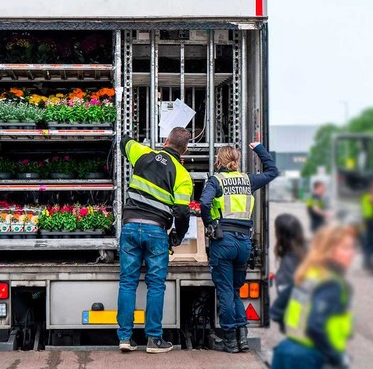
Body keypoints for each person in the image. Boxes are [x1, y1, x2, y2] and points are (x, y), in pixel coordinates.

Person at [264, 225, 356, 369]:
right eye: (346, 247)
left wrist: (295, 334)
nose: (352, 253)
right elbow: (316, 326)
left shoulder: (305, 275)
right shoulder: (332, 283)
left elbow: (277, 311)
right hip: (316, 360)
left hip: (286, 353)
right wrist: (335, 357)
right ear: (328, 250)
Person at [117, 128, 193, 354]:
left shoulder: (143, 153)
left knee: (127, 282)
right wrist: (177, 236)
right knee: (156, 285)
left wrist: (130, 135)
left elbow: (124, 142)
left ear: (166, 141)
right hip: (156, 231)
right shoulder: (182, 175)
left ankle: (125, 338)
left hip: (130, 226)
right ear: (184, 151)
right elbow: (182, 212)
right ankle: (153, 339)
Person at [200, 142, 278, 353]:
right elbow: (273, 171)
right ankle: (242, 338)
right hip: (244, 242)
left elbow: (204, 203)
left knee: (225, 290)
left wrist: (210, 225)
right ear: (237, 160)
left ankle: (230, 341)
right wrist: (259, 149)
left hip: (223, 241)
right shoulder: (248, 180)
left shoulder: (216, 181)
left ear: (219, 160)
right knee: (235, 291)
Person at [269, 213, 307, 332]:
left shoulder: (289, 261)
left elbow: (291, 294)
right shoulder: (307, 251)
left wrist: (278, 314)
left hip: (298, 324)